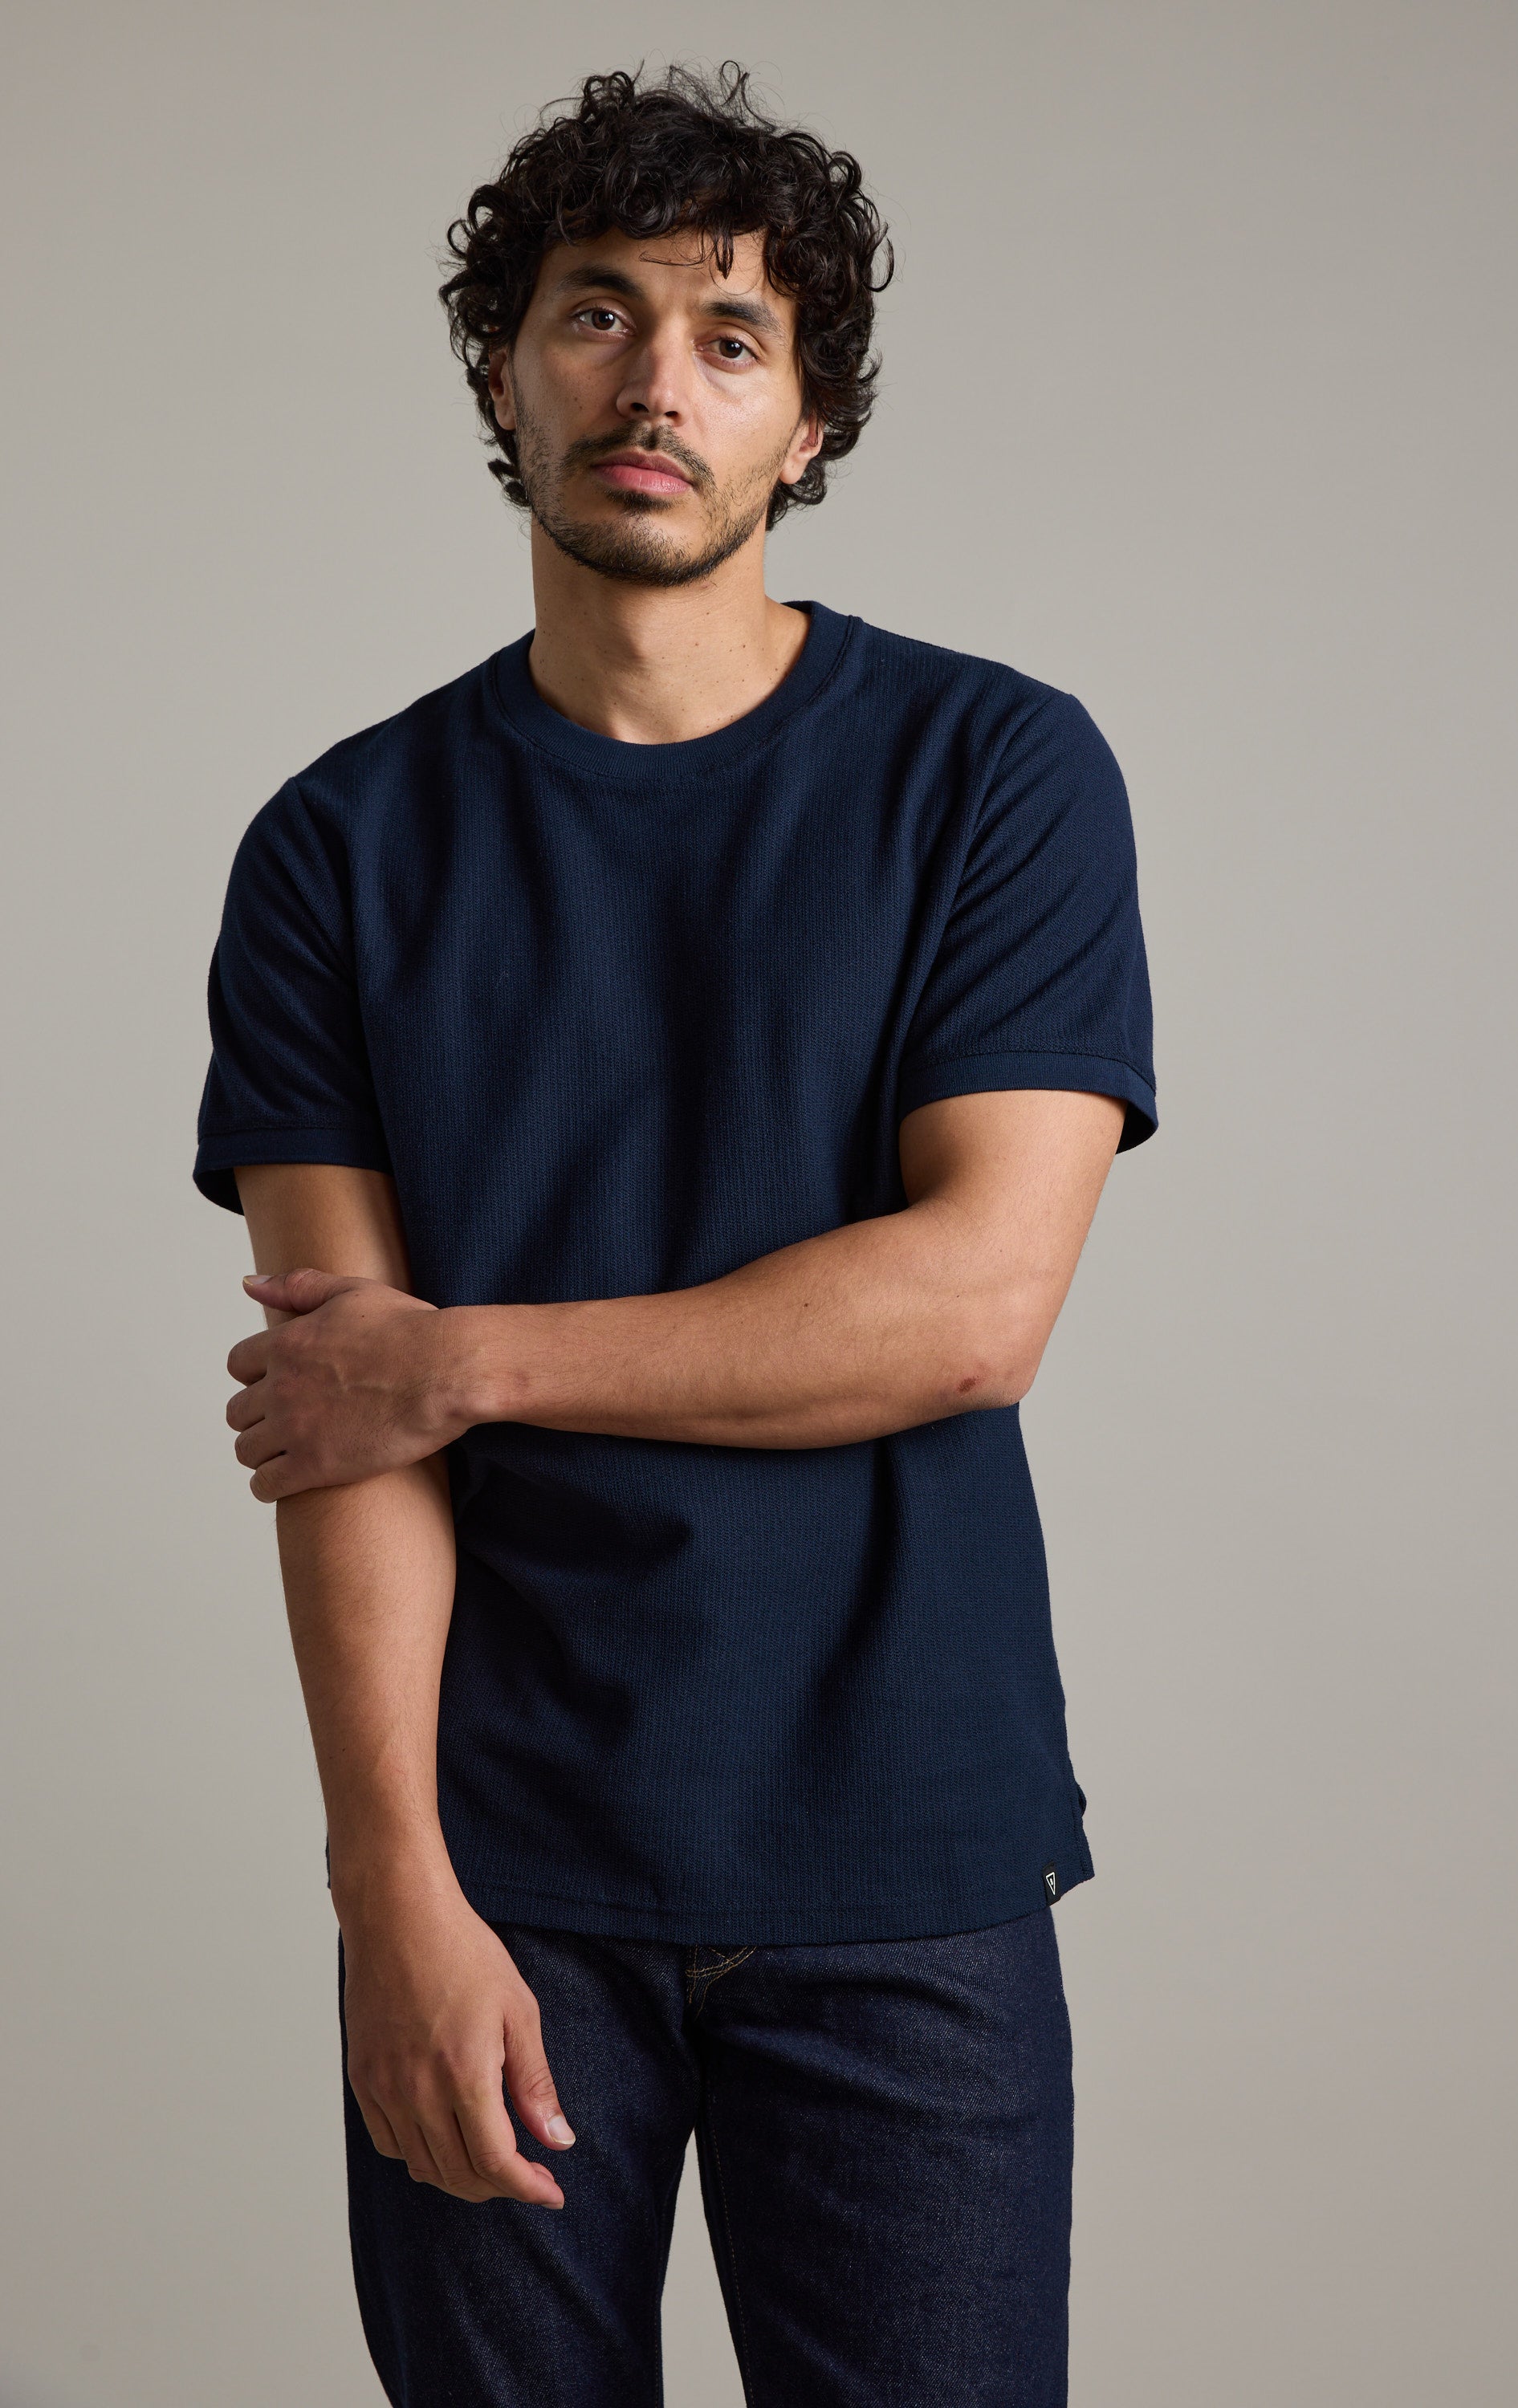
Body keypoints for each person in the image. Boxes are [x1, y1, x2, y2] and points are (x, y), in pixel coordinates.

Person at [196, 62, 1156, 2408]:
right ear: (503, 376)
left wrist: (473, 1357)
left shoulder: (990, 775)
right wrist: (387, 1899)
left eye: (728, 334)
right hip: (501, 1873)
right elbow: (344, 1422)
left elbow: (967, 1311)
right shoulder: (340, 847)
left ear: (806, 420)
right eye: (592, 315)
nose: (653, 381)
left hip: (901, 1854)